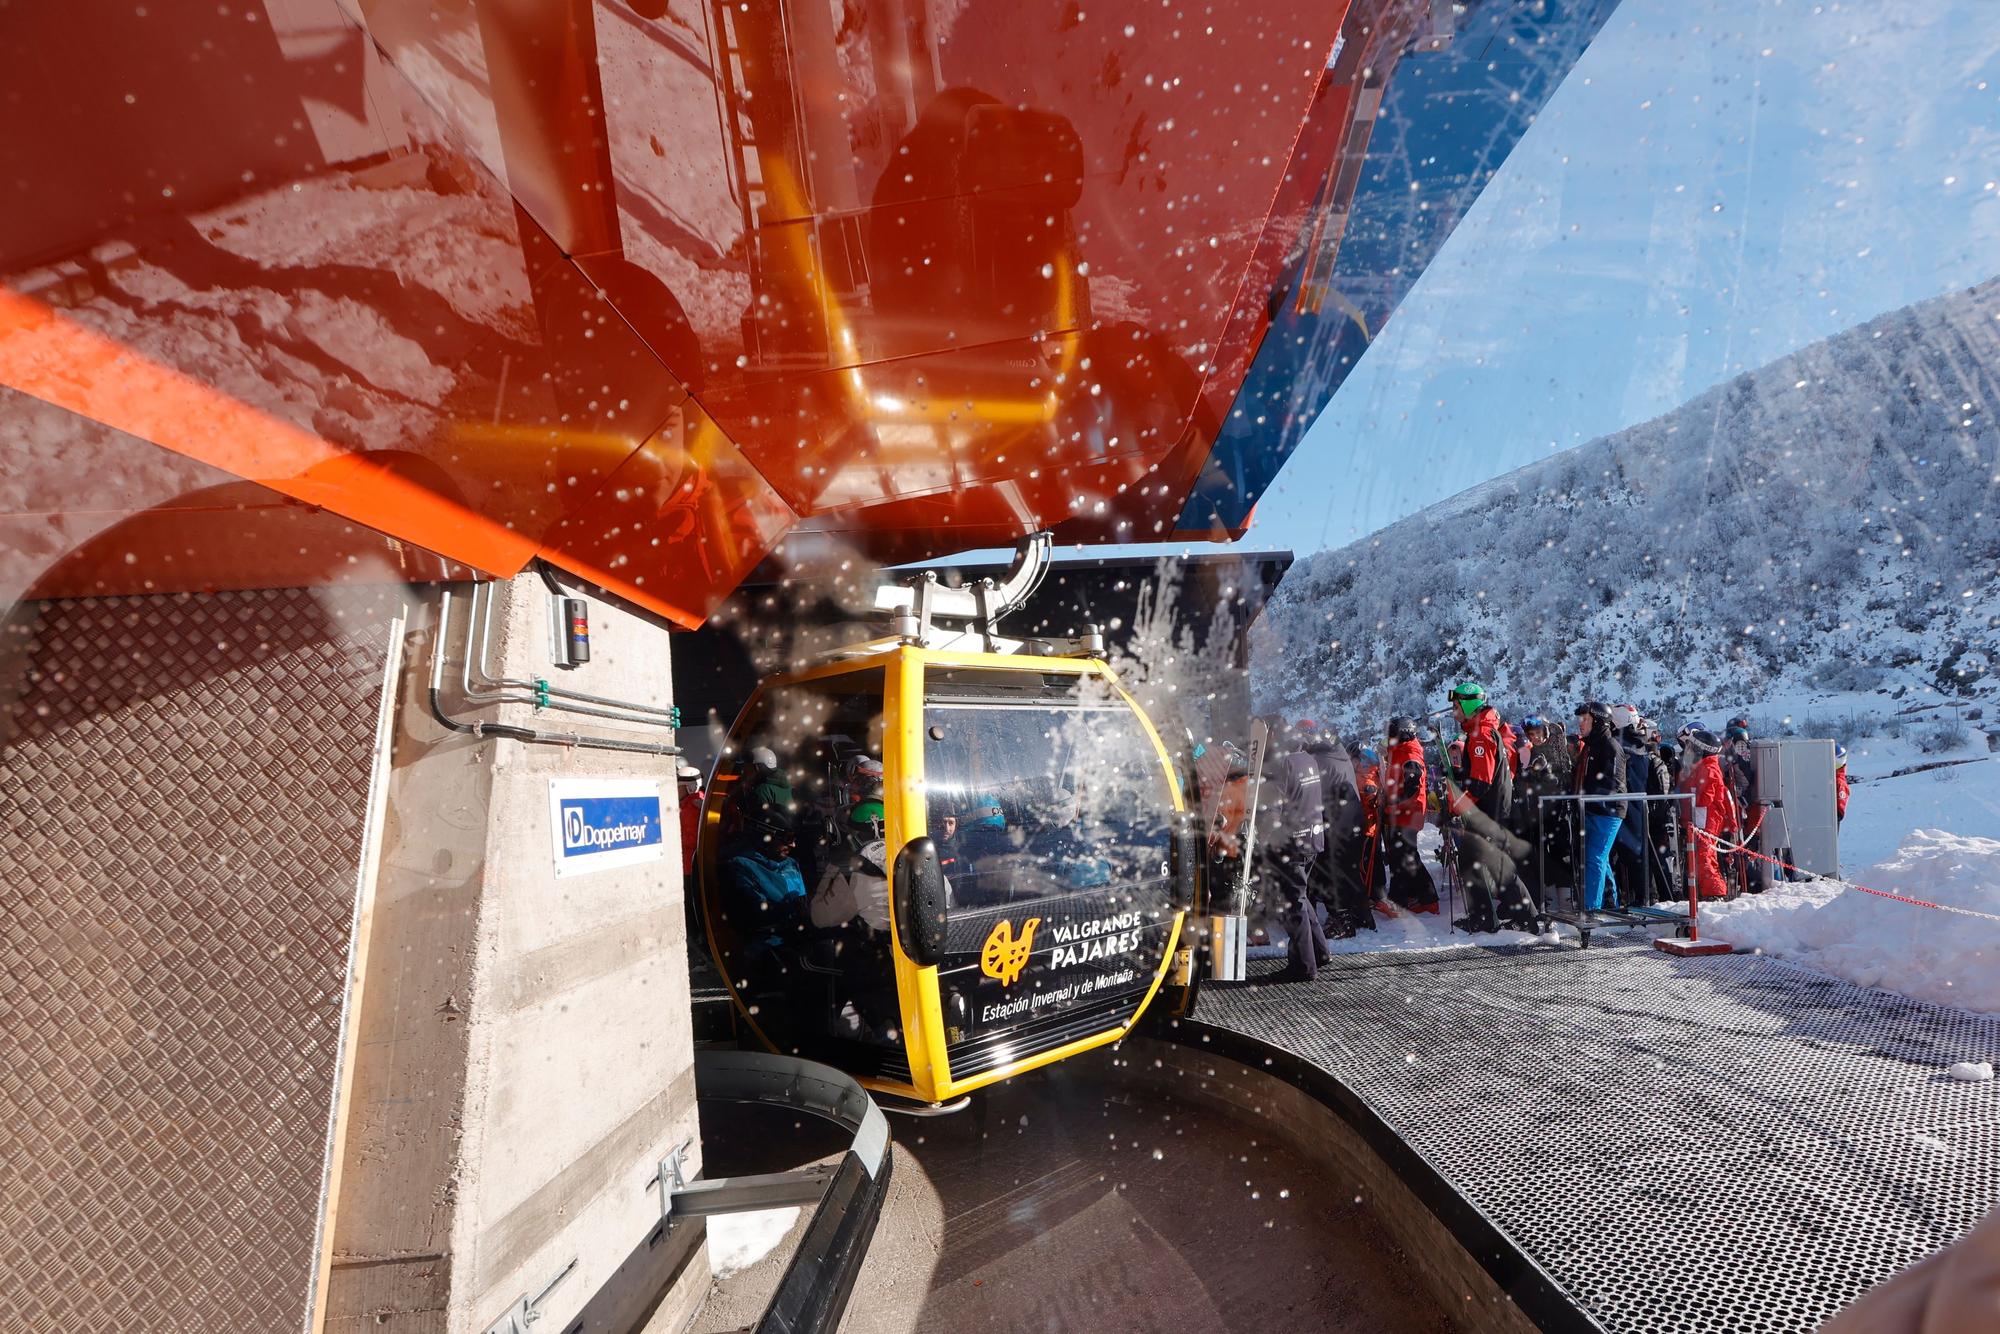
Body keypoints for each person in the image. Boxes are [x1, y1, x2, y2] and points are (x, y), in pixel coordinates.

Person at [1445, 681, 1537, 932]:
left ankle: (1521, 918)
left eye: (1456, 706)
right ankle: (1500, 917)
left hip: (1488, 811)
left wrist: (1458, 804)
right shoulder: (1484, 730)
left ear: (1468, 705)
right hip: (1493, 810)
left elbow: (1480, 783)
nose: (1454, 712)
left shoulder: (1480, 735)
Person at [1256, 721, 1331, 981]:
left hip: (1292, 842)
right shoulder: (1306, 759)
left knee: (1293, 903)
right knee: (1301, 897)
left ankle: (1303, 967)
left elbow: (1273, 809)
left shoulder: (1283, 764)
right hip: (1312, 837)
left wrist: (1264, 837)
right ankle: (1319, 953)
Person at [1300, 722, 1375, 937]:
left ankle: (1342, 923)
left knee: (1332, 873)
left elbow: (1309, 794)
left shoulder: (1318, 761)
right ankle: (1363, 916)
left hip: (1338, 824)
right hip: (1353, 822)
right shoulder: (1338, 753)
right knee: (1350, 871)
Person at [1572, 700, 1626, 916]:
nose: (1580, 724)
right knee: (1597, 857)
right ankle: (1610, 899)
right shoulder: (1590, 746)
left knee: (1594, 857)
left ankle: (1591, 908)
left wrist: (1588, 796)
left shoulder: (1610, 746)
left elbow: (1611, 783)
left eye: (1585, 719)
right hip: (1593, 808)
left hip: (1608, 811)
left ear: (1598, 721)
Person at [1382, 716, 1438, 913]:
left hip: (1408, 812)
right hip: (1403, 812)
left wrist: (1394, 805)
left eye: (1392, 732)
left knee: (1407, 856)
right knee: (1400, 855)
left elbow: (1412, 788)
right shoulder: (1400, 751)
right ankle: (1402, 897)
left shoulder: (1410, 754)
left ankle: (1428, 899)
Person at [1681, 728, 1739, 900]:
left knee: (1704, 857)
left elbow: (1704, 798)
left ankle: (1715, 893)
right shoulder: (1703, 767)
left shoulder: (1708, 769)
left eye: (1691, 747)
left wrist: (1689, 794)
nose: (1688, 750)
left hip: (1706, 820)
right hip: (1703, 818)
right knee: (1703, 856)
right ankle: (1709, 892)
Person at [677, 761, 704, 876]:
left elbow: (694, 840)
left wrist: (673, 839)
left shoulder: (691, 808)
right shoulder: (696, 803)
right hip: (691, 865)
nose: (676, 791)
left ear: (691, 788)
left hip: (689, 866)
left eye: (679, 787)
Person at [1835, 742, 1850, 823]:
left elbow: (1841, 802)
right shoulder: (1833, 777)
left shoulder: (1839, 781)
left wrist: (1837, 815)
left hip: (1831, 823)